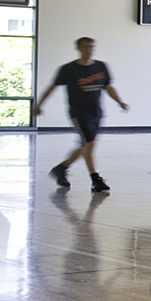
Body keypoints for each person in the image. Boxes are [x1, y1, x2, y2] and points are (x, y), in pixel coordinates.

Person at [34, 36, 127, 193]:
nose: (88, 49)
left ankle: (61, 168)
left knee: (85, 145)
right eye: (85, 46)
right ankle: (96, 179)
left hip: (96, 112)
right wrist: (39, 105)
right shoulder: (68, 69)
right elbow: (52, 88)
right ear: (78, 49)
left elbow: (108, 86)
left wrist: (120, 102)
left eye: (91, 46)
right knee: (89, 144)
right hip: (78, 112)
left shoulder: (101, 66)